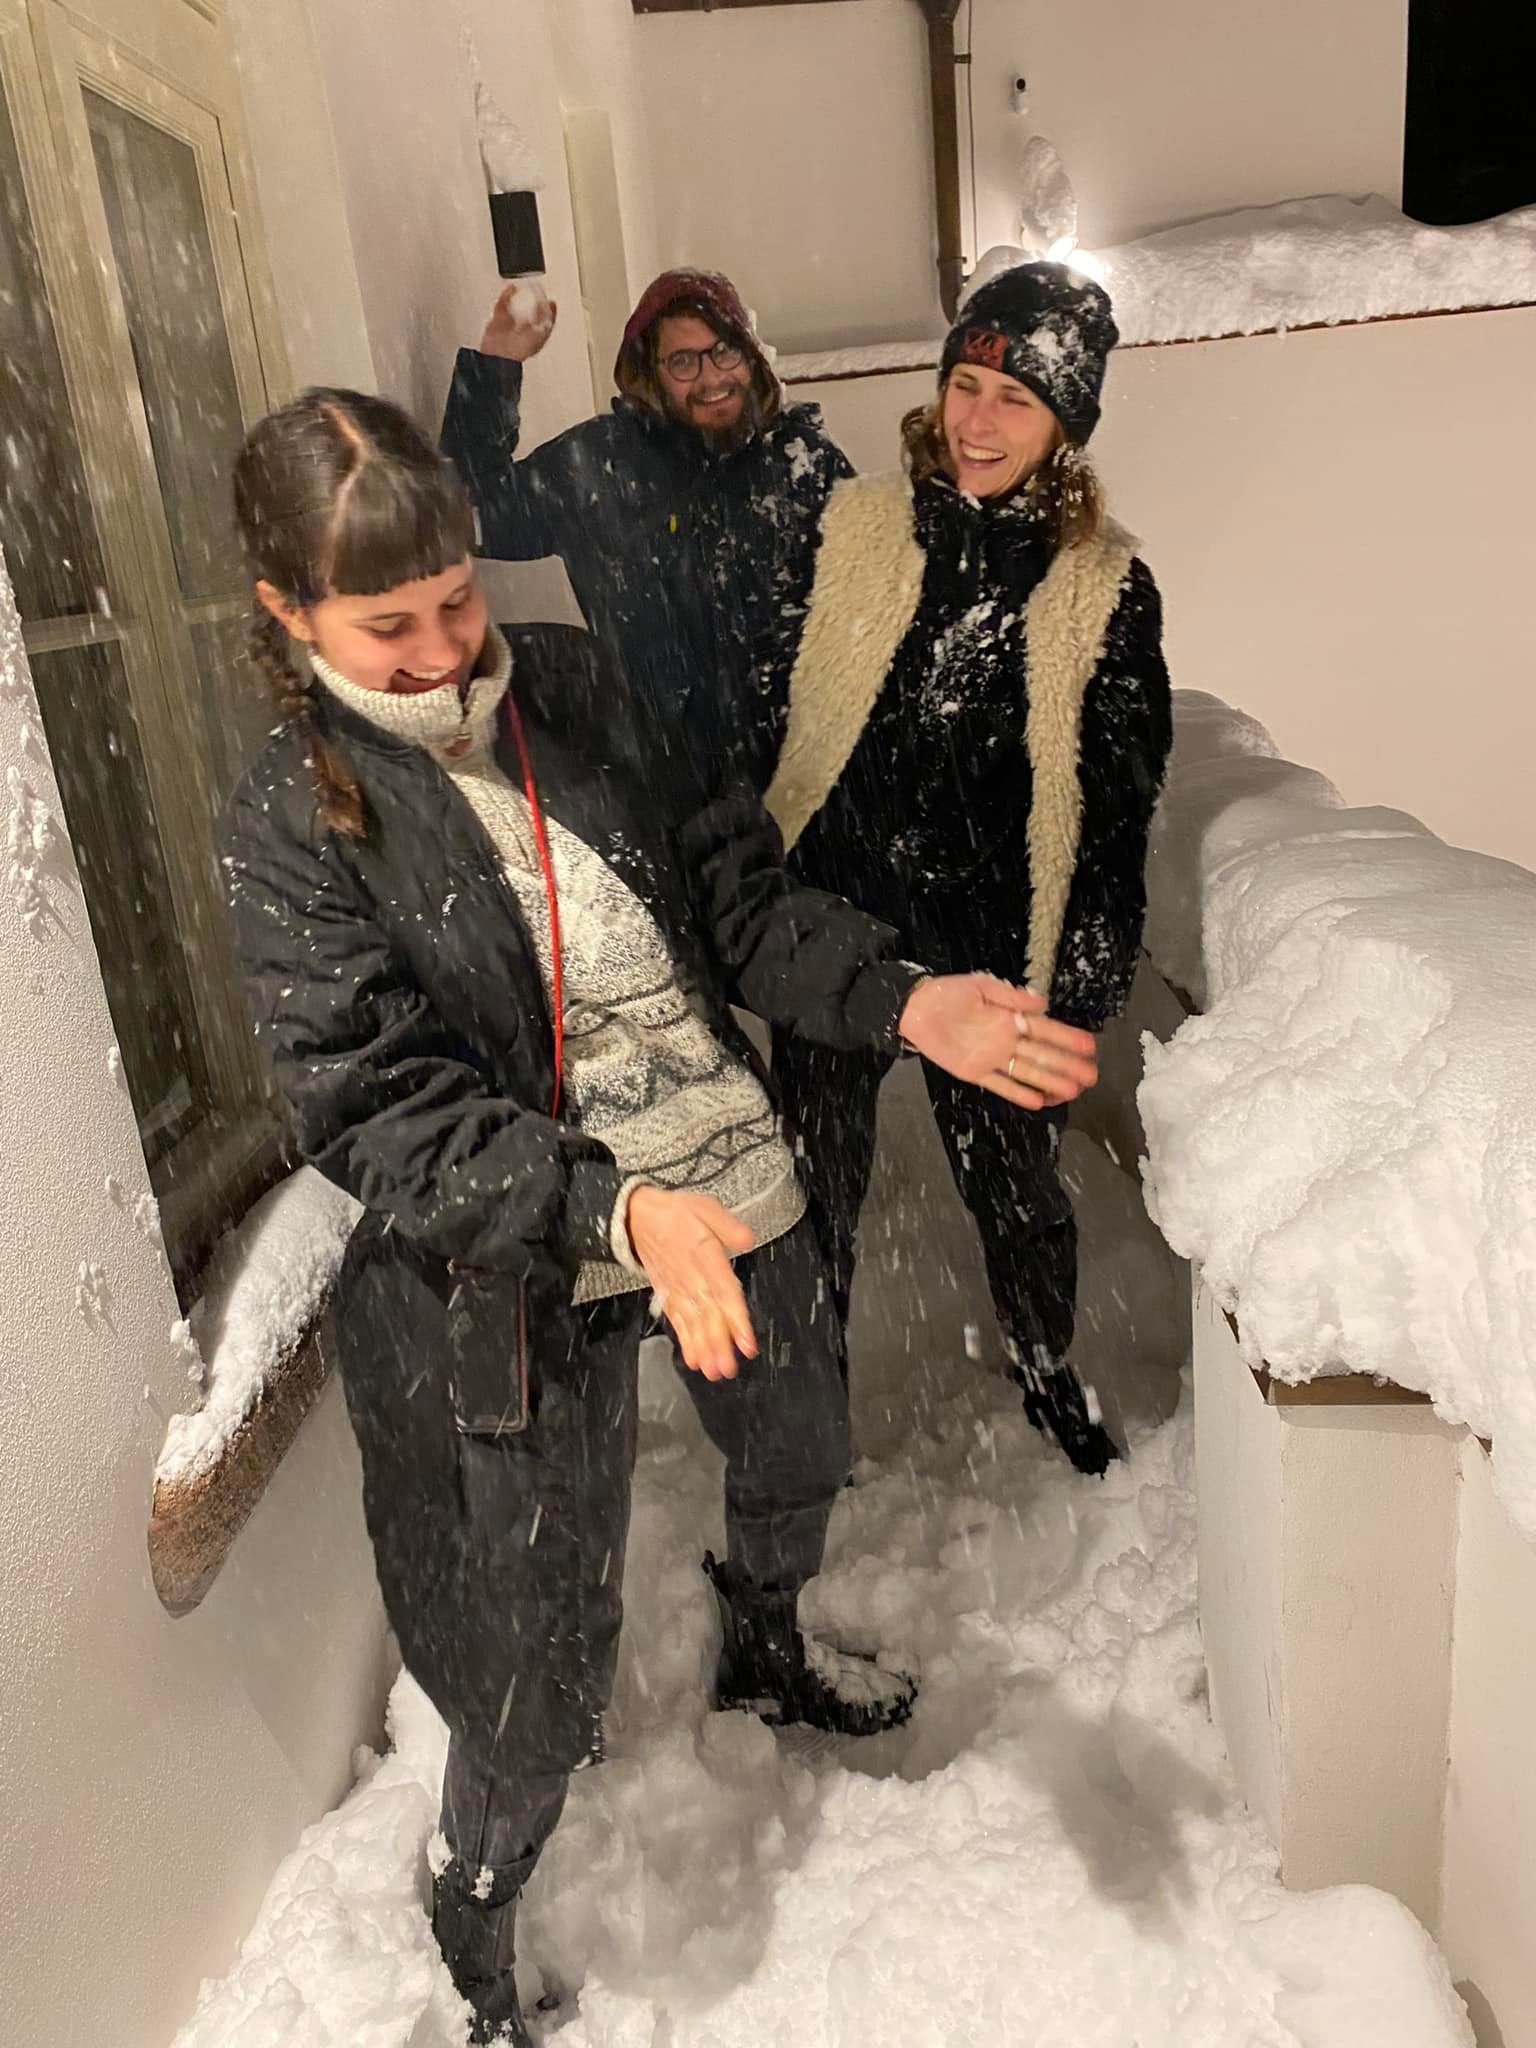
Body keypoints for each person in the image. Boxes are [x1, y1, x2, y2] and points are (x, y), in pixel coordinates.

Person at [223, 389, 1098, 2043]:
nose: (444, 654)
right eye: (390, 627)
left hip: (722, 1172)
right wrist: (614, 1214)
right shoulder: (289, 822)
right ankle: (473, 1912)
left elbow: (738, 905)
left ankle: (764, 1641)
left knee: (798, 1446)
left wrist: (903, 999)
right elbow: (375, 1100)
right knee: (532, 1657)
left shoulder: (581, 690)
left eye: (457, 601)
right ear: (288, 613)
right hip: (513, 1255)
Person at [763, 262, 1174, 1479]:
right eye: (965, 384)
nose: (978, 420)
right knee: (811, 1187)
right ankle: (805, 1408)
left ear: (1065, 424)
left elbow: (1116, 797)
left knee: (1017, 1189)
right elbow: (776, 704)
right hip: (842, 921)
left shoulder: (1104, 584)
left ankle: (1047, 1367)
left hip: (993, 938)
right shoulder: (853, 528)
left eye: (1016, 398)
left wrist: (1081, 985)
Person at [441, 267, 849, 795]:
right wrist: (496, 364)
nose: (710, 378)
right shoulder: (601, 465)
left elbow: (872, 608)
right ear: (649, 375)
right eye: (682, 361)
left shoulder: (803, 463)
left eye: (724, 351)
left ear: (749, 355)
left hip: (804, 782)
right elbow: (466, 513)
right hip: (661, 789)